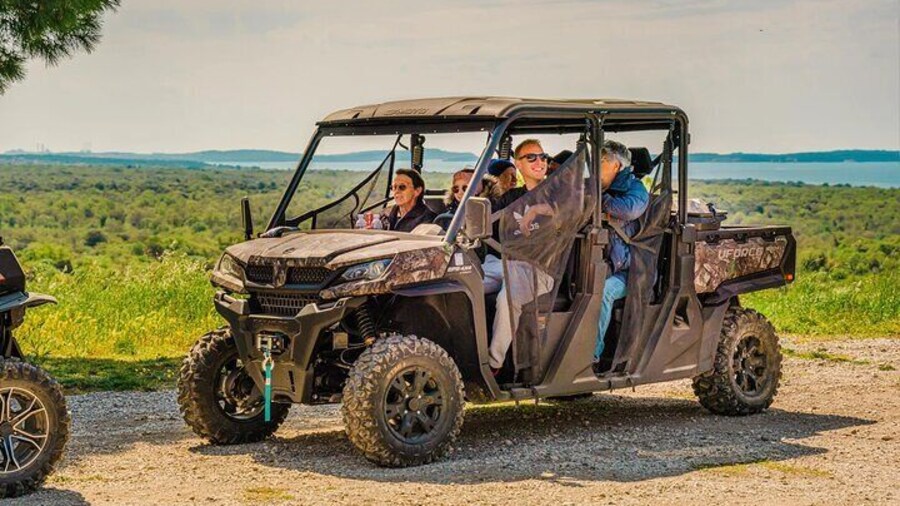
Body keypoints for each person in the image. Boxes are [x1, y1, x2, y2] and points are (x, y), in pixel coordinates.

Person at [487, 139, 556, 372]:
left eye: (543, 157)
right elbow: (491, 223)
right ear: (518, 163)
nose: (539, 162)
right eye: (531, 157)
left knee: (507, 298)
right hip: (507, 263)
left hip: (539, 269)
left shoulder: (556, 193)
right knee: (464, 280)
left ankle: (493, 364)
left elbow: (568, 212)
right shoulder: (512, 197)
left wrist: (536, 209)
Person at [594, 140, 649, 366]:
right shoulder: (599, 186)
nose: (595, 166)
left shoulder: (635, 189)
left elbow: (628, 210)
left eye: (601, 161)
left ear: (616, 165)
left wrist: (599, 198)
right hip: (602, 263)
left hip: (630, 270)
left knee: (603, 292)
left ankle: (592, 357)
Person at [381, 168, 436, 232]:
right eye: (394, 187)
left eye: (402, 187)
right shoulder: (385, 213)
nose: (396, 191)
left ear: (417, 191)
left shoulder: (428, 220)